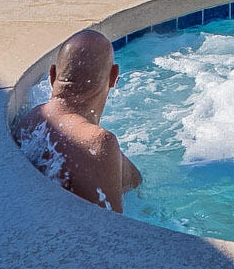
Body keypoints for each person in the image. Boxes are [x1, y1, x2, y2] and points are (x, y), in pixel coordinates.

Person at [10, 29, 141, 211]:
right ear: (113, 77)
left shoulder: (31, 120)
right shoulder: (97, 143)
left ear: (53, 75)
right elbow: (113, 229)